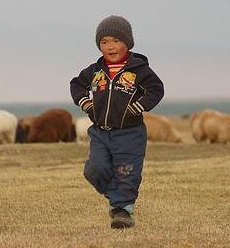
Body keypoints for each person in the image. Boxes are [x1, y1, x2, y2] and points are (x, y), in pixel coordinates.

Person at [70, 15, 164, 229]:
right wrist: (86, 103)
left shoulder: (139, 69)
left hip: (130, 133)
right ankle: (116, 196)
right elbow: (76, 85)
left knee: (126, 171)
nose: (110, 47)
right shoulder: (94, 71)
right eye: (104, 42)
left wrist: (138, 107)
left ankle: (122, 211)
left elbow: (156, 90)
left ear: (127, 43)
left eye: (115, 41)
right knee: (94, 169)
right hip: (100, 132)